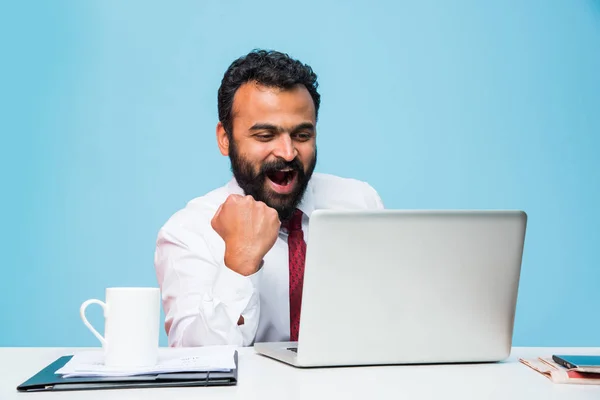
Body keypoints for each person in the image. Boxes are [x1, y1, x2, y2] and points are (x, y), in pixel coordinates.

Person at [154, 49, 384, 347]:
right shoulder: (188, 231)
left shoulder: (360, 203)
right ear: (225, 139)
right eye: (265, 136)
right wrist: (240, 261)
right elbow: (197, 361)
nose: (288, 153)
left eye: (302, 135)